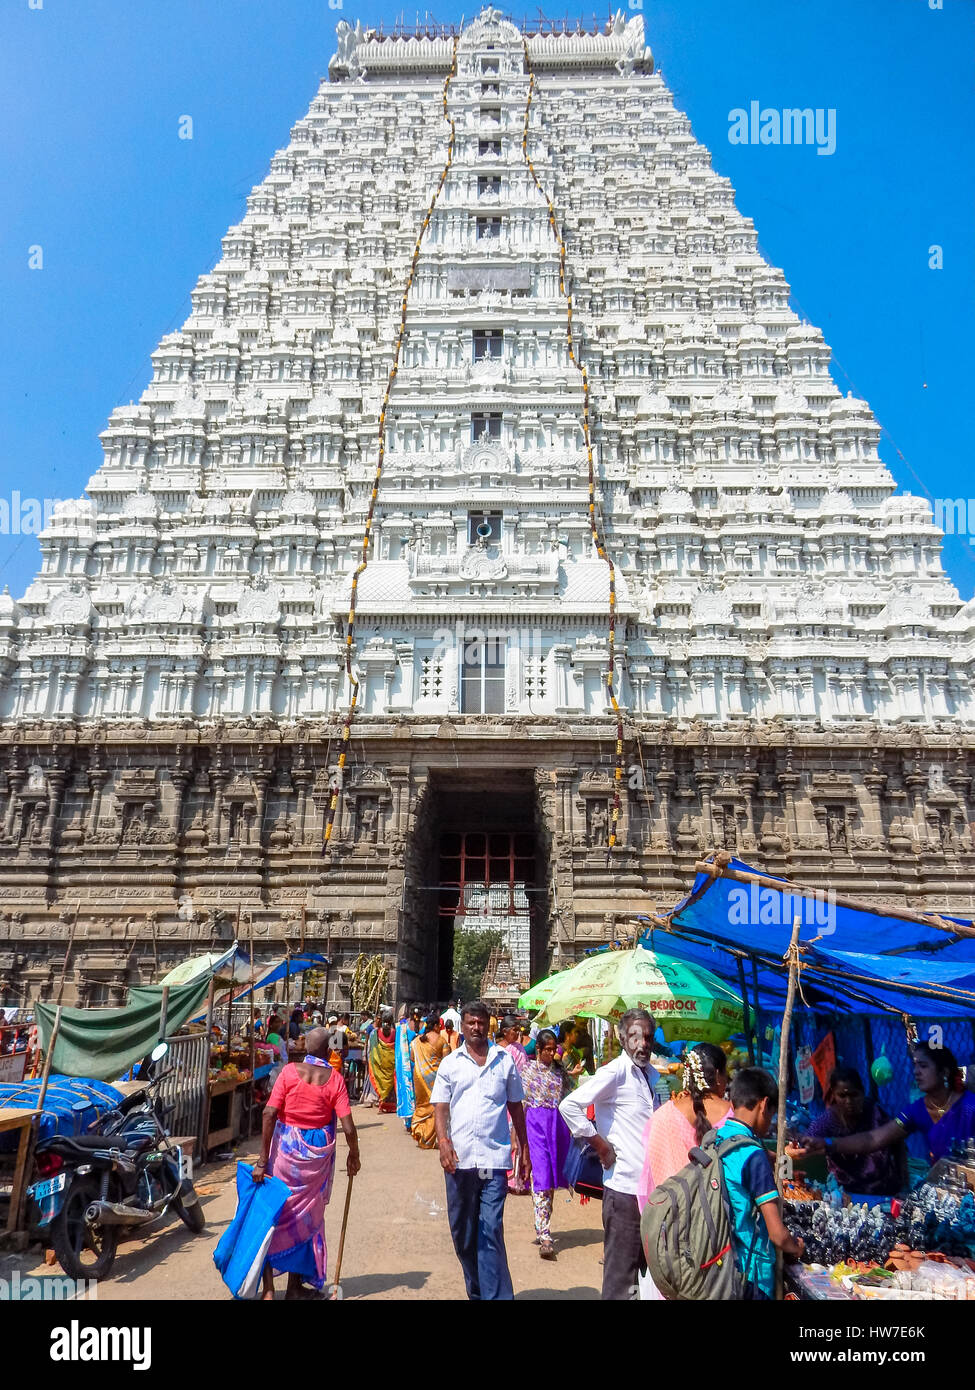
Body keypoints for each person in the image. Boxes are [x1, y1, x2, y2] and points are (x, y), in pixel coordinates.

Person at [431, 999, 531, 1300]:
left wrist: (523, 1148)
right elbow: (440, 1107)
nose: (476, 1027)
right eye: (471, 1022)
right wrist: (443, 1142)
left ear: (490, 1024)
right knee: (463, 1234)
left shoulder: (505, 1061)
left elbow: (516, 1106)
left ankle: (496, 1296)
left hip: (494, 1159)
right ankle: (477, 1290)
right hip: (459, 1160)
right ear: (462, 1025)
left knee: (490, 1230)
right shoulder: (451, 1063)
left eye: (481, 1022)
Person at [559, 1008, 660, 1300]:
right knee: (620, 1278)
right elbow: (570, 1106)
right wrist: (601, 1146)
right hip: (624, 1190)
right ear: (623, 1037)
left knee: (644, 1277)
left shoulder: (650, 1076)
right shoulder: (616, 1072)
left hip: (647, 1191)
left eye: (648, 1038)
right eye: (635, 1037)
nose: (642, 1044)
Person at [253, 1026, 361, 1300]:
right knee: (304, 1222)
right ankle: (293, 1288)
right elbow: (348, 1127)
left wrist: (262, 1160)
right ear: (327, 1051)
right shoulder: (334, 1079)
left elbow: (268, 1114)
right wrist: (354, 1155)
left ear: (305, 1048)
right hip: (314, 1163)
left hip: (284, 1154)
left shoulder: (289, 1072)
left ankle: (268, 1290)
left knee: (273, 1216)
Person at [803, 1041, 975, 1167]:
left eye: (923, 1066)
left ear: (944, 1072)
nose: (916, 1072)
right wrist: (828, 1143)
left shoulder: (969, 1106)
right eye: (915, 1066)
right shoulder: (917, 1110)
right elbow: (874, 1139)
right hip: (945, 1192)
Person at [717, 1067, 803, 1299]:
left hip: (725, 1265)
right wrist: (796, 1247)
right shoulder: (753, 1156)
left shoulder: (719, 1138)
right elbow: (777, 1234)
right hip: (753, 1274)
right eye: (772, 1114)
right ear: (764, 1105)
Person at [637, 1043, 733, 1211]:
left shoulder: (663, 1116)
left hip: (674, 1220)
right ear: (718, 1075)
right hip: (722, 1224)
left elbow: (649, 1178)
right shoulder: (732, 1114)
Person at [795, 1066, 906, 1195]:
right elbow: (808, 1141)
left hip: (884, 1188)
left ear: (862, 1092)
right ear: (834, 1095)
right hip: (848, 1192)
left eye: (854, 1095)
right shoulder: (827, 1121)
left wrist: (903, 1179)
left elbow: (897, 1140)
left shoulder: (876, 1113)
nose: (849, 1101)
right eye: (842, 1096)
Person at [522, 1028, 573, 1259]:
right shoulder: (527, 1071)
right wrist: (518, 1138)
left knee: (551, 1179)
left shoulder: (560, 1072)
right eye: (547, 1050)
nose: (552, 1054)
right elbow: (519, 1103)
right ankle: (544, 1234)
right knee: (541, 1176)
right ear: (539, 1050)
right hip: (535, 1126)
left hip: (557, 1128)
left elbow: (571, 1097)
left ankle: (543, 1223)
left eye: (554, 1049)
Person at [410, 1012, 449, 1148]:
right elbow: (447, 1061)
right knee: (435, 1107)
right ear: (437, 1026)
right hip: (436, 1079)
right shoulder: (441, 1041)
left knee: (421, 1105)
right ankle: (428, 1138)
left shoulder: (416, 1041)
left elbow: (413, 1058)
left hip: (419, 1078)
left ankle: (420, 1131)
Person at [366, 1011, 397, 1113]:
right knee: (391, 1085)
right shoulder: (395, 1032)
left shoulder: (375, 1033)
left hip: (379, 1063)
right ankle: (391, 1106)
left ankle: (381, 1104)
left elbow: (372, 1049)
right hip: (391, 1063)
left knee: (381, 1084)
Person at [395, 1006, 420, 1131]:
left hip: (407, 1065)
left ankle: (410, 1122)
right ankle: (415, 1121)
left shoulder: (401, 1028)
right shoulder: (424, 1027)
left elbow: (398, 1053)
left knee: (409, 1091)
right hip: (416, 1064)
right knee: (416, 1092)